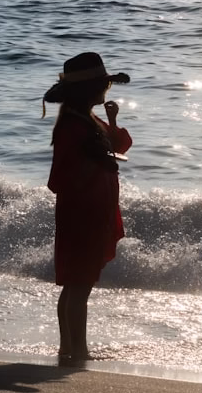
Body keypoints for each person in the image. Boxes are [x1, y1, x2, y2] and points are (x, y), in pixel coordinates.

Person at [43, 52, 132, 362]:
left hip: (93, 212)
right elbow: (58, 179)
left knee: (75, 284)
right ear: (88, 90)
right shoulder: (71, 126)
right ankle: (77, 350)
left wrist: (112, 122)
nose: (106, 89)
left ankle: (68, 347)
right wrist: (93, 164)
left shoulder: (88, 121)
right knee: (79, 285)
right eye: (102, 85)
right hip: (82, 214)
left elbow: (119, 145)